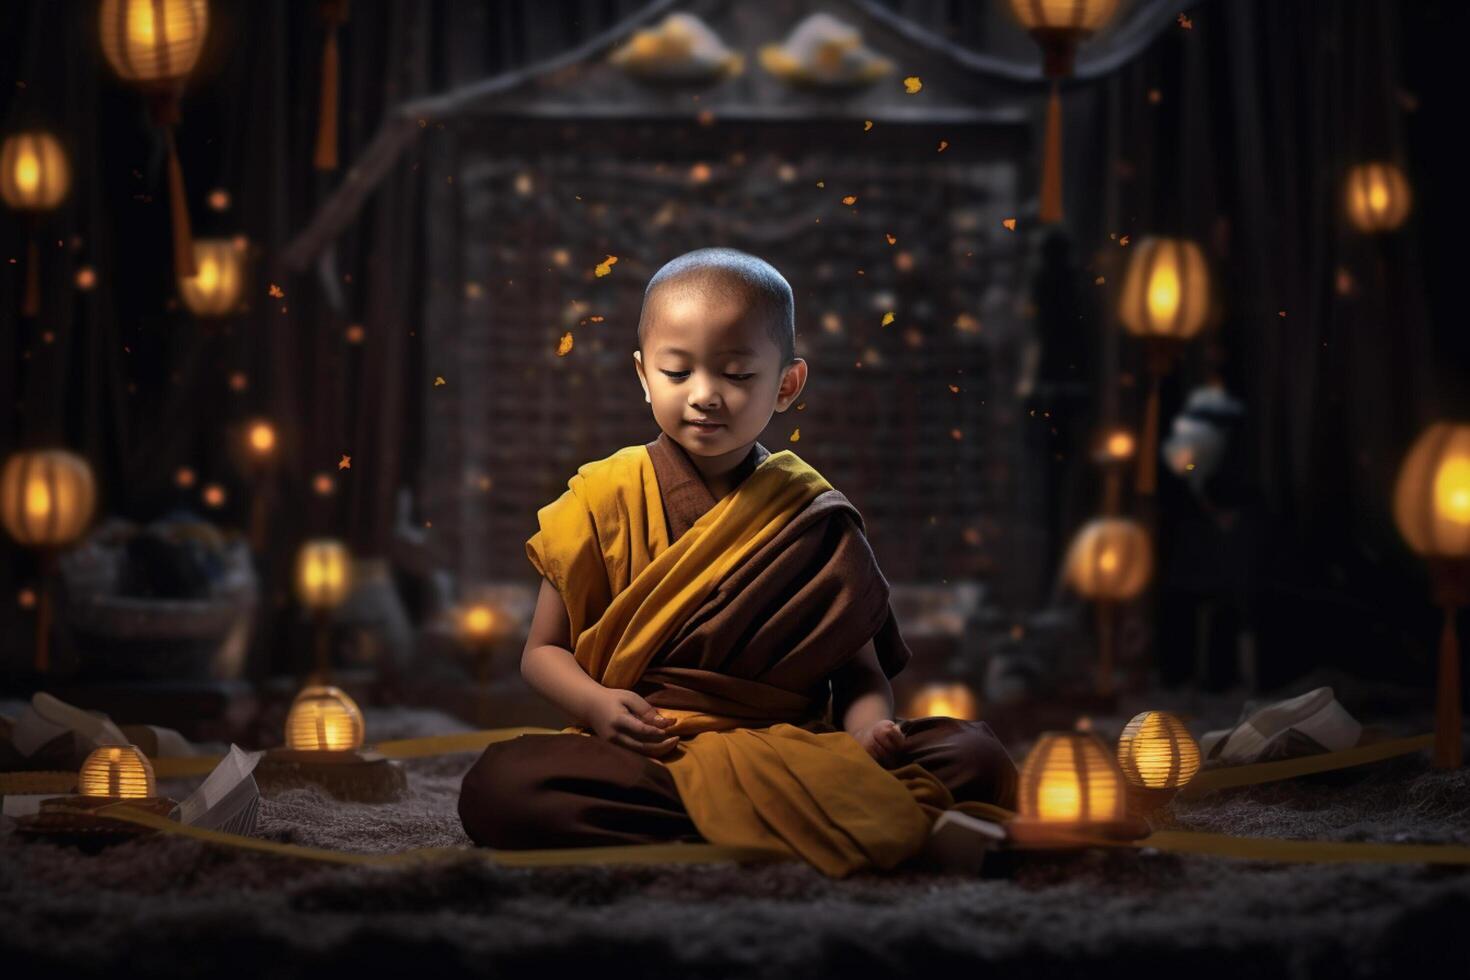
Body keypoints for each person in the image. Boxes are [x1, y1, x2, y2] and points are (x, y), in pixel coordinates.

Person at [458, 248, 1017, 877]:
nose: (704, 396)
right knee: (500, 787)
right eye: (676, 372)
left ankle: (729, 825)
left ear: (787, 385)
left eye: (737, 376)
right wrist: (596, 706)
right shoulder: (602, 498)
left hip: (794, 748)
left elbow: (860, 676)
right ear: (643, 377)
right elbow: (542, 652)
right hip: (656, 751)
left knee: (977, 757)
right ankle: (821, 820)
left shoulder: (813, 516)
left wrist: (866, 734)